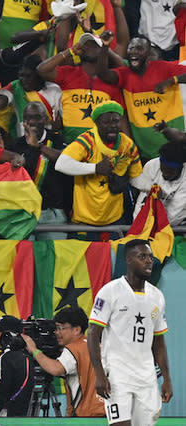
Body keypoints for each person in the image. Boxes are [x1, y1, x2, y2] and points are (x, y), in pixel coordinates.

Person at [89, 239, 173, 426]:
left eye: (150, 257)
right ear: (128, 260)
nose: (148, 261)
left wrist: (166, 379)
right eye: (142, 256)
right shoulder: (110, 291)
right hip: (117, 374)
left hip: (146, 377)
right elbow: (93, 334)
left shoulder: (157, 296)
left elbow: (159, 341)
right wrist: (99, 374)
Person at [97, 35, 186, 160]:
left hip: (174, 147)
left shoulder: (164, 68)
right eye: (131, 48)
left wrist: (172, 80)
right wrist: (105, 47)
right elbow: (102, 74)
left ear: (148, 53)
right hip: (144, 153)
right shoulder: (125, 74)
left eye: (139, 48)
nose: (134, 52)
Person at [54, 101, 142, 227]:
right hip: (85, 220)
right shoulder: (87, 141)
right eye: (106, 122)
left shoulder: (127, 144)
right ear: (96, 123)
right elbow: (61, 164)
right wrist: (95, 168)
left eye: (116, 121)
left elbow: (137, 178)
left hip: (115, 218)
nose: (112, 126)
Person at [36, 32, 123, 144]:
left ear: (102, 50)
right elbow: (41, 70)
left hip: (99, 146)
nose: (86, 47)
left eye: (92, 44)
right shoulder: (69, 73)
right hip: (68, 144)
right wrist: (70, 51)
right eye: (85, 44)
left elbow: (120, 118)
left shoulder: (110, 80)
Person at [22, 306, 106, 417]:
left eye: (61, 328)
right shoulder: (95, 345)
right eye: (56, 328)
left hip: (87, 416)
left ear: (77, 329)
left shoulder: (74, 348)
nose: (56, 333)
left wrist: (33, 350)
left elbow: (56, 369)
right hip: (106, 412)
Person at [3, 102, 72, 235]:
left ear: (45, 119)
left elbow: (65, 160)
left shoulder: (57, 139)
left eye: (37, 117)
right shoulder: (16, 144)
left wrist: (39, 146)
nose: (32, 122)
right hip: (23, 212)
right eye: (28, 117)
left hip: (52, 213)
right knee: (24, 255)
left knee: (54, 254)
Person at [0, 315, 35, 417]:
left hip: (5, 417)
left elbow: (0, 398)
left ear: (10, 335)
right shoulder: (29, 358)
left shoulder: (4, 359)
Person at [131, 131, 186, 225]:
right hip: (150, 222)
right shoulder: (151, 166)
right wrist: (139, 226)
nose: (165, 174)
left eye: (170, 172)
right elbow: (141, 202)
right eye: (163, 169)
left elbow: (173, 216)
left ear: (180, 167)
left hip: (177, 225)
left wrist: (162, 195)